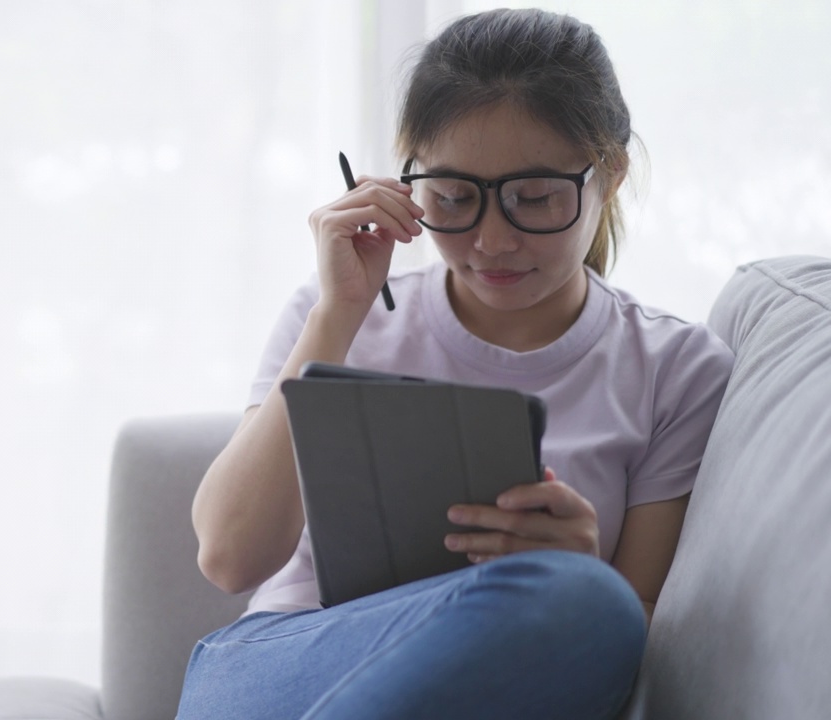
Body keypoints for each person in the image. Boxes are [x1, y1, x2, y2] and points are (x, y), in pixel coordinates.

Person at [178, 8, 734, 720]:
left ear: (611, 174)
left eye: (534, 198)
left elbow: (642, 641)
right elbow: (229, 556)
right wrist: (337, 313)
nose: (492, 240)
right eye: (454, 198)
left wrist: (578, 571)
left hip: (489, 686)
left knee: (594, 605)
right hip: (280, 666)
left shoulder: (674, 369)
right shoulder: (335, 317)